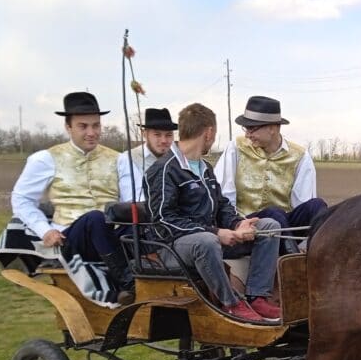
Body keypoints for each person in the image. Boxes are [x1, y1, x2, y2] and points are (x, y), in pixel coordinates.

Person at [146, 103, 282, 323]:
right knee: (206, 241)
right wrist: (216, 232)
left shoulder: (204, 168)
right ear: (209, 133)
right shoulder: (164, 170)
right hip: (172, 248)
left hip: (210, 239)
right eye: (214, 134)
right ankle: (232, 304)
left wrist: (238, 224)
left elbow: (221, 204)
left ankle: (257, 295)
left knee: (269, 228)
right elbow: (164, 221)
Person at [10, 91, 135, 304]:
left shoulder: (120, 160)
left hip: (110, 236)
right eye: (83, 126)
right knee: (95, 218)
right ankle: (127, 282)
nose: (91, 132)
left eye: (96, 125)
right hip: (72, 238)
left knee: (139, 222)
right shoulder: (46, 159)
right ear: (68, 127)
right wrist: (45, 230)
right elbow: (21, 200)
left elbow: (133, 200)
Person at [213, 95, 327, 250]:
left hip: (284, 226)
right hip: (245, 223)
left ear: (273, 128)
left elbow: (303, 202)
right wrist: (235, 225)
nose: (247, 134)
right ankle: (292, 261)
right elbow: (224, 194)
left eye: (252, 128)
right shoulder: (236, 147)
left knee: (317, 206)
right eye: (245, 128)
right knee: (274, 213)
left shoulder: (300, 156)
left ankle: (317, 252)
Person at [117, 107, 176, 201]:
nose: (164, 140)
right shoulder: (129, 159)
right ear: (144, 134)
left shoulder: (177, 160)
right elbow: (132, 200)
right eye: (157, 135)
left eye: (168, 135)